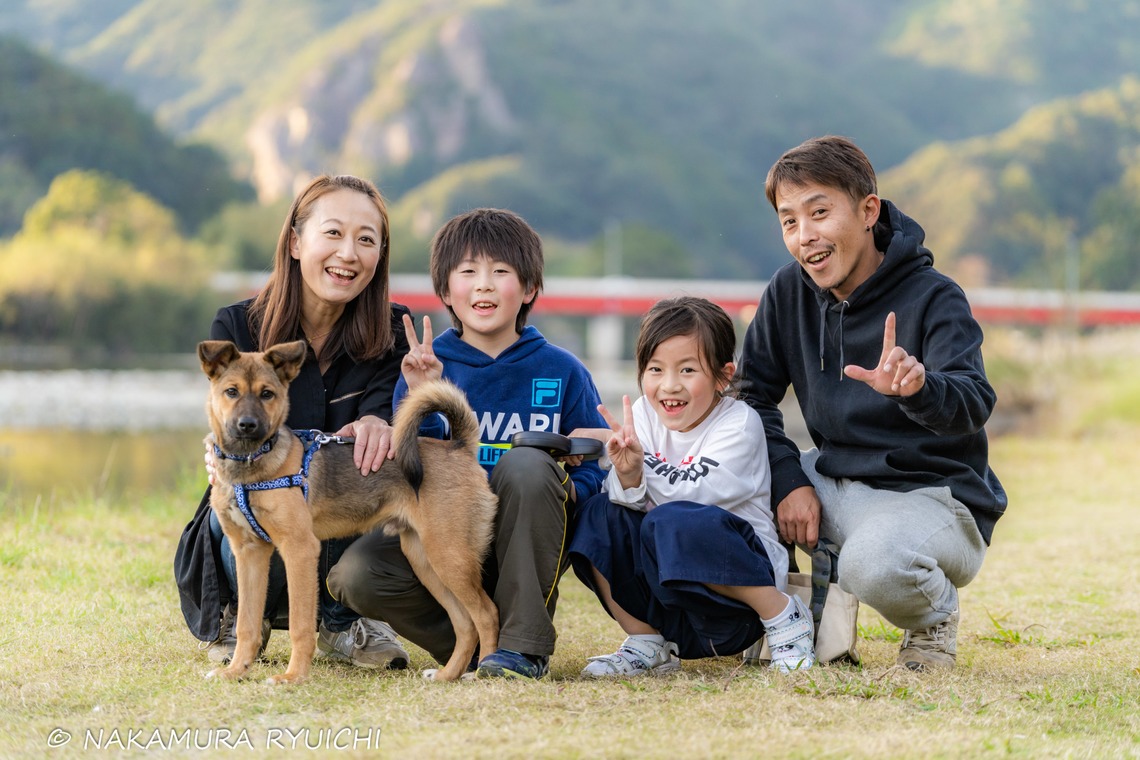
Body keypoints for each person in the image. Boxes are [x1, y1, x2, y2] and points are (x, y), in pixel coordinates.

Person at [736, 135, 1007, 670]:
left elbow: (975, 401)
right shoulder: (787, 293)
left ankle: (935, 614)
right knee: (721, 477)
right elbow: (751, 399)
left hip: (933, 499)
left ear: (867, 211)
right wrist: (790, 481)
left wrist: (919, 388)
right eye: (789, 221)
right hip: (837, 483)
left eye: (819, 212)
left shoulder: (935, 296)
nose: (805, 235)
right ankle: (792, 625)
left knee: (874, 564)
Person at [326, 207, 609, 680]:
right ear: (445, 291)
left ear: (530, 289)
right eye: (468, 272)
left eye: (501, 272)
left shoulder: (563, 370)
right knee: (356, 573)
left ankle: (520, 649)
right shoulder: (426, 367)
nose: (484, 285)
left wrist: (568, 488)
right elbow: (411, 471)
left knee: (527, 466)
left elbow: (592, 464)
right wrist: (420, 394)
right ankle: (475, 649)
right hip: (445, 537)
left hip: (527, 540)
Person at [174, 174, 411, 671]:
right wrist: (219, 447)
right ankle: (241, 622)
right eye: (333, 233)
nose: (348, 252)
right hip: (252, 498)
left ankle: (343, 622)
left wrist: (384, 418)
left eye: (366, 240)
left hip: (347, 512)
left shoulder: (393, 333)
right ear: (295, 242)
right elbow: (223, 410)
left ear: (380, 257)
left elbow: (396, 423)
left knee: (351, 491)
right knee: (242, 506)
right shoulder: (237, 326)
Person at [567, 296, 814, 677]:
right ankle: (646, 641)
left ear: (722, 376)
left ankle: (783, 617)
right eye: (655, 369)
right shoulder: (644, 419)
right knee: (598, 513)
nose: (669, 386)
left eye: (686, 370)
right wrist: (626, 472)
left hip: (734, 611)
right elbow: (627, 501)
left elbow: (689, 499)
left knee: (673, 521)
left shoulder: (739, 424)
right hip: (672, 602)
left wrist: (624, 456)